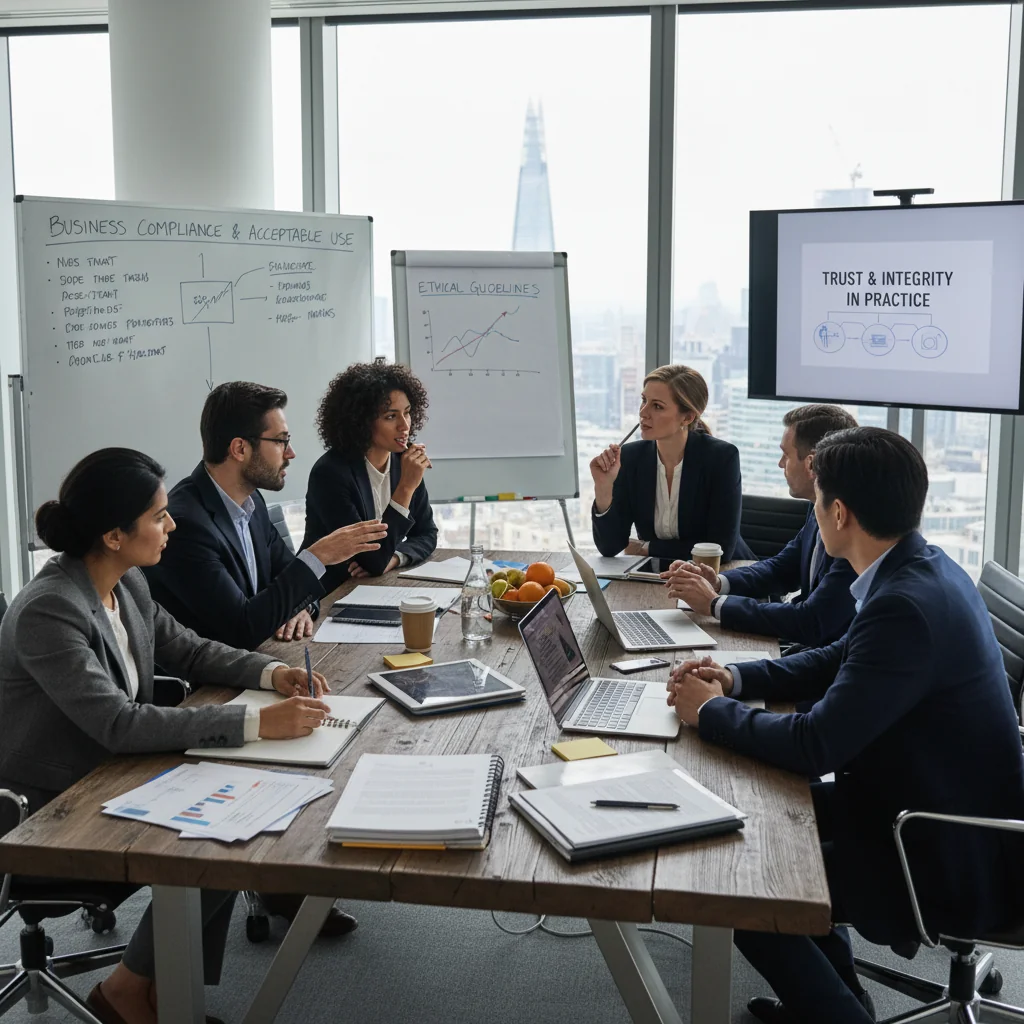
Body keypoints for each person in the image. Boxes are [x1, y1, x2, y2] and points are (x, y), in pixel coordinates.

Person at [666, 427, 1024, 1024]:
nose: (811, 511)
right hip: (921, 800)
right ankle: (834, 1002)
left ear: (839, 511)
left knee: (742, 885)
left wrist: (707, 712)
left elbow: (816, 743)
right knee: (754, 826)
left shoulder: (905, 604)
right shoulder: (917, 567)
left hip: (943, 847)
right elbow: (839, 657)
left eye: (815, 501)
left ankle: (837, 1016)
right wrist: (736, 681)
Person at [0, 448, 332, 1024]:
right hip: (53, 803)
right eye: (158, 516)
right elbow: (118, 722)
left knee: (238, 830)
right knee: (220, 841)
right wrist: (255, 722)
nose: (172, 523)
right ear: (112, 535)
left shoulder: (126, 583)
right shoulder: (49, 610)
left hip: (115, 769)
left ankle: (151, 988)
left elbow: (189, 648)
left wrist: (271, 673)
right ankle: (132, 992)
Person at [144, 381, 388, 650]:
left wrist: (300, 608)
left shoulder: (252, 501)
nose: (290, 453)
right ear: (239, 449)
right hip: (208, 685)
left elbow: (289, 580)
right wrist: (318, 556)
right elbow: (242, 629)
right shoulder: (186, 525)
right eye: (281, 441)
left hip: (262, 659)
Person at [665, 404, 858, 648]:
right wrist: (718, 583)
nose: (780, 464)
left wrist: (715, 604)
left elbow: (811, 621)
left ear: (812, 464)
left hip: (821, 659)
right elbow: (782, 569)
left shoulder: (850, 528)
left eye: (786, 455)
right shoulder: (818, 505)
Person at [301, 360, 438, 594]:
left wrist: (394, 558)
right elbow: (372, 562)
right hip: (327, 594)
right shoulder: (331, 473)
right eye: (390, 416)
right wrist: (405, 488)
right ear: (362, 421)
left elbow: (427, 534)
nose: (404, 426)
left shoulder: (404, 461)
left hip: (375, 588)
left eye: (407, 413)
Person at [590, 364, 746, 562]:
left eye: (657, 406)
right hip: (659, 574)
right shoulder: (630, 457)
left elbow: (719, 549)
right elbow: (610, 547)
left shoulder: (721, 458)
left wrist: (648, 547)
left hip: (724, 574)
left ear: (687, 417)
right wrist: (603, 488)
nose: (643, 413)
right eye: (644, 401)